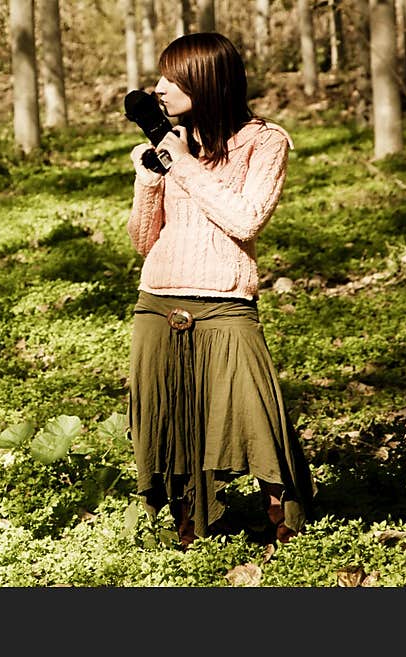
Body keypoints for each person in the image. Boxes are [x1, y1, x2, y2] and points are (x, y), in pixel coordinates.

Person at [125, 32, 314, 549]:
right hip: (158, 299)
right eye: (160, 77)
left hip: (226, 303)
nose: (159, 88)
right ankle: (190, 529)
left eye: (173, 79)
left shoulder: (264, 141)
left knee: (256, 416)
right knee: (172, 421)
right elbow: (145, 242)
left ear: (207, 82)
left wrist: (182, 165)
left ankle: (285, 528)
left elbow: (245, 219)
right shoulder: (172, 142)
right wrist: (149, 179)